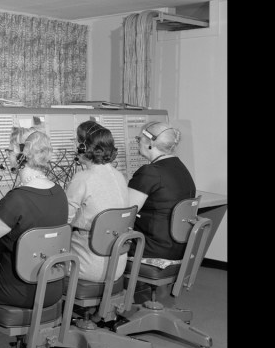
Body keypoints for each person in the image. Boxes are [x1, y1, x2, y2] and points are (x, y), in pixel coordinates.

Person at [0, 130, 69, 348]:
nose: (8, 155)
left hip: (17, 292)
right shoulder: (59, 193)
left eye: (9, 151)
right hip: (51, 288)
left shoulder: (17, 199)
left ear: (21, 156)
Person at [127, 120, 197, 303]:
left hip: (152, 249)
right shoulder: (182, 169)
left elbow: (124, 214)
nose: (137, 142)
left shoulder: (149, 172)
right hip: (178, 247)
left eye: (138, 138)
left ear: (150, 142)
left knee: (100, 241)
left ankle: (103, 309)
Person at [65, 121, 130, 283]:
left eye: (76, 141)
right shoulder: (119, 176)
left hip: (88, 266)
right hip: (117, 265)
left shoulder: (83, 179)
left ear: (83, 147)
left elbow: (62, 221)